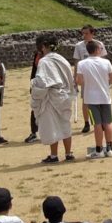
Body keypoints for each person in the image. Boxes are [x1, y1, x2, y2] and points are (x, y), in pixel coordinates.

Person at [31, 34, 76, 163]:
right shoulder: (62, 59)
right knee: (65, 125)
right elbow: (69, 78)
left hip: (50, 96)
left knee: (52, 126)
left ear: (43, 46)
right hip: (63, 95)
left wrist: (34, 88)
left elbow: (42, 82)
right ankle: (68, 153)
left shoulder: (44, 61)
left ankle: (54, 155)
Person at [75, 40, 112, 159]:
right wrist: (104, 83)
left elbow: (79, 81)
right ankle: (109, 149)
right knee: (107, 123)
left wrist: (88, 83)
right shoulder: (106, 62)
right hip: (105, 97)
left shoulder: (82, 64)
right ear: (97, 50)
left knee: (97, 124)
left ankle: (99, 150)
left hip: (91, 98)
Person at [73, 24, 107, 134]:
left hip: (98, 76)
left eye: (86, 33)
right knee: (86, 100)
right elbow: (77, 62)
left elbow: (103, 61)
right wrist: (75, 78)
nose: (84, 35)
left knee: (100, 99)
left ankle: (100, 121)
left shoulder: (99, 44)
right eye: (83, 33)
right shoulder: (79, 46)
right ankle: (87, 122)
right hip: (85, 76)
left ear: (92, 33)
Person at [25, 46, 42, 144]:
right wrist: (31, 85)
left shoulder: (52, 56)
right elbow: (34, 70)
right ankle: (34, 132)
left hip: (49, 85)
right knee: (35, 108)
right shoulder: (37, 55)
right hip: (37, 85)